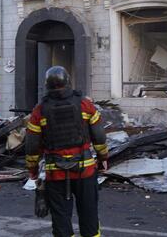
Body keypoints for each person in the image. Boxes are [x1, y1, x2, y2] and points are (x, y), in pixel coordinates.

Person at [25, 66, 109, 237]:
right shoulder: (85, 104)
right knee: (89, 215)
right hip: (84, 172)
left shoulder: (39, 110)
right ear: (68, 81)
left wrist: (33, 171)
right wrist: (103, 158)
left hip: (56, 174)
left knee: (61, 220)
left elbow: (32, 146)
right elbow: (99, 136)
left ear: (47, 85)